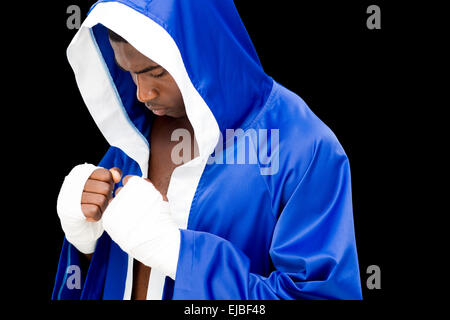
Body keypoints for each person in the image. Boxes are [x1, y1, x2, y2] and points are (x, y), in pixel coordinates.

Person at [53, 0, 362, 300]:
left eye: (155, 72)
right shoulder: (131, 139)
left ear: (204, 50)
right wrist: (85, 244)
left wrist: (179, 254)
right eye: (130, 72)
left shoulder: (301, 146)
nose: (142, 93)